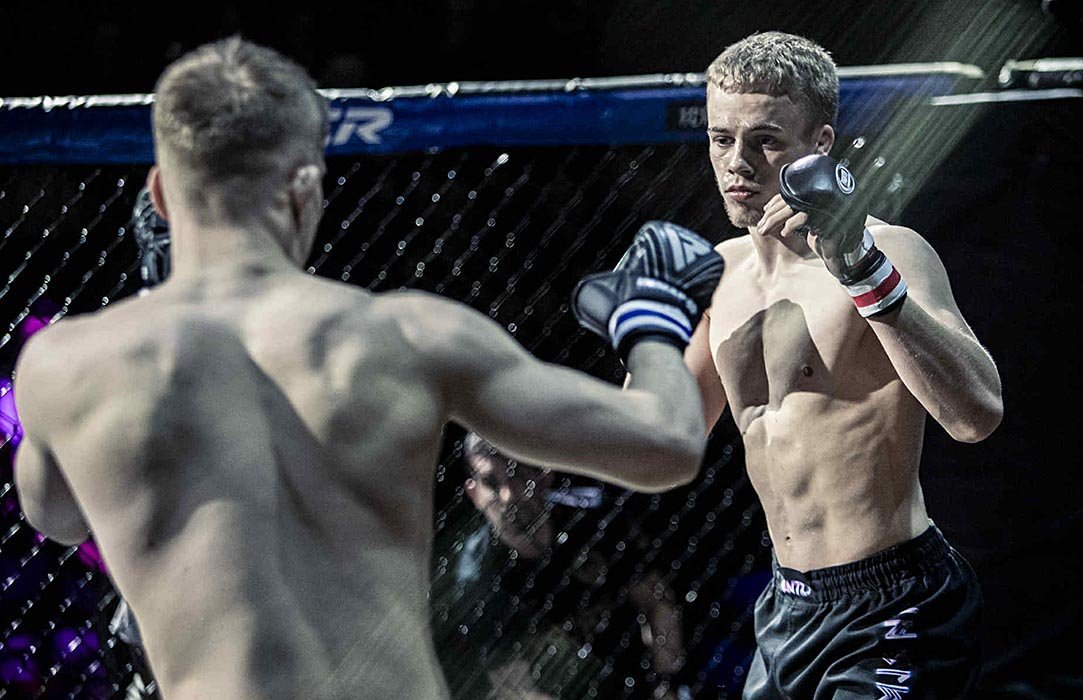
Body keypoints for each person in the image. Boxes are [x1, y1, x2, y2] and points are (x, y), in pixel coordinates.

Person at [12, 36, 720, 699]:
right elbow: (668, 442)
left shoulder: (66, 366)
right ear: (306, 188)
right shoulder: (408, 336)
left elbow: (57, 518)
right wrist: (649, 319)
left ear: (161, 194)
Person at [691, 32, 1004, 698]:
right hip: (786, 610)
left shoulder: (892, 249)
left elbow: (977, 414)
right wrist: (641, 332)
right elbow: (667, 444)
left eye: (764, 140)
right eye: (721, 139)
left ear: (820, 144)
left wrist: (864, 273)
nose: (737, 163)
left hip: (896, 605)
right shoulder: (715, 276)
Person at [433, 432, 687, 699]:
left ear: (545, 474)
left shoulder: (598, 519)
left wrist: (666, 684)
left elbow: (657, 603)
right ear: (474, 494)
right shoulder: (478, 578)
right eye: (491, 482)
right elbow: (514, 686)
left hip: (637, 679)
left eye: (517, 473)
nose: (508, 495)